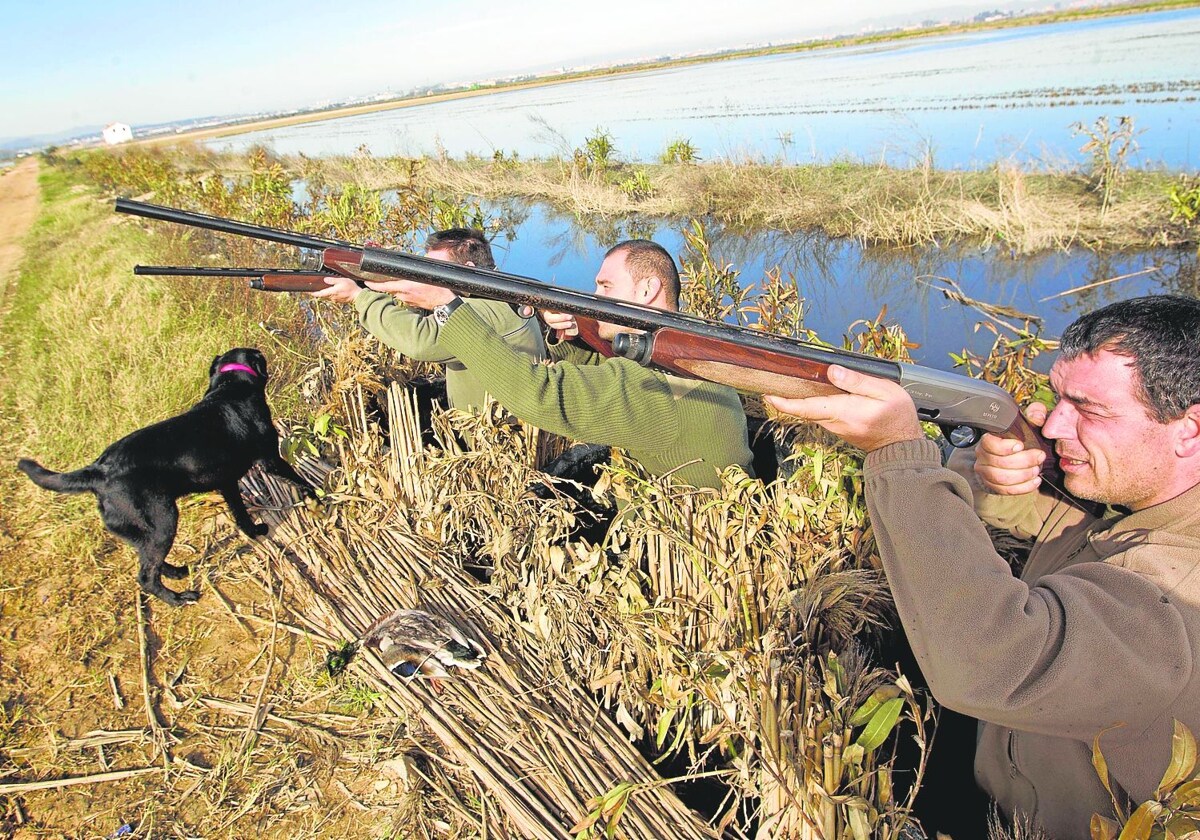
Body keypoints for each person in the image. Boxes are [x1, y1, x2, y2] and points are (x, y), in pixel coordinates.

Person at [765, 294, 1200, 839]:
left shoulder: (1177, 593)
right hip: (997, 804)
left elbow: (994, 661)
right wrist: (994, 464)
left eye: (1089, 409)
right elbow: (1019, 514)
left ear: (1190, 429)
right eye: (1057, 397)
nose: (1057, 423)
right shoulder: (1132, 496)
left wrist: (897, 453)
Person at [364, 239, 754, 490]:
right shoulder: (688, 350)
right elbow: (608, 369)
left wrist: (445, 305)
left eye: (605, 287)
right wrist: (563, 335)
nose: (594, 296)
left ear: (647, 290)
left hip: (679, 555)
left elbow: (539, 394)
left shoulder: (657, 390)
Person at [311, 228, 546, 410]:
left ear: (468, 269)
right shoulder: (499, 293)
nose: (428, 278)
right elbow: (433, 314)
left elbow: (420, 340)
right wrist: (384, 279)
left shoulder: (488, 310)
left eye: (435, 271)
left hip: (498, 444)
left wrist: (359, 297)